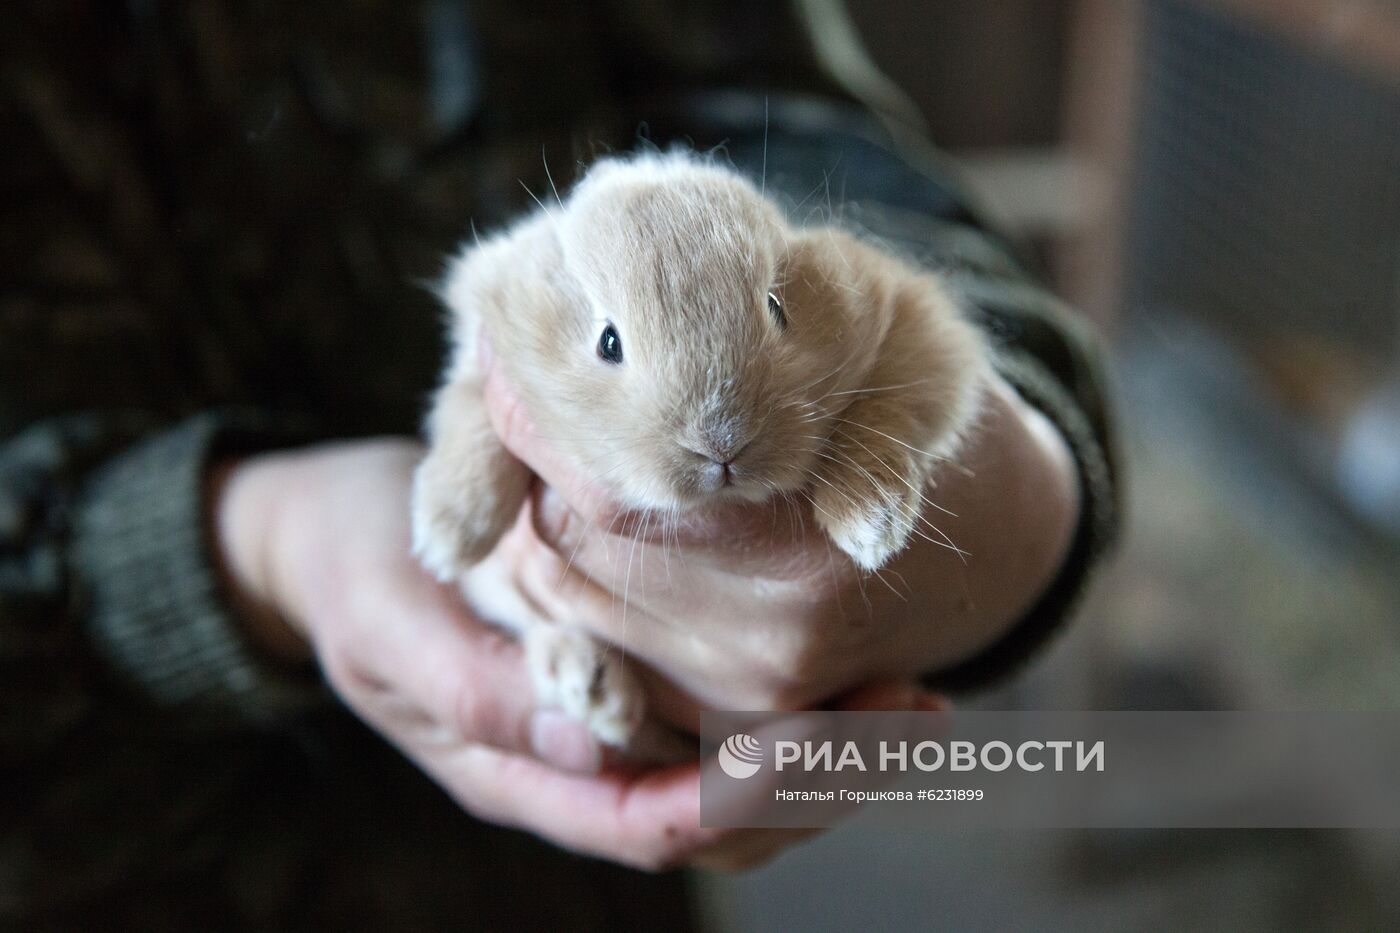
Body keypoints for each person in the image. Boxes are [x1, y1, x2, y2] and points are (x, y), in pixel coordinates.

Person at [0, 1, 1117, 929]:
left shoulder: (836, 277)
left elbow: (816, 138)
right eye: (616, 350)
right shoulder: (518, 297)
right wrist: (263, 547)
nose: (716, 437)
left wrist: (1010, 495)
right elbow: (471, 409)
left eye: (777, 312)